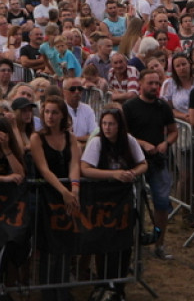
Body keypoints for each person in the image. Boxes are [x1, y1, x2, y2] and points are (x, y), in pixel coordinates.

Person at [80, 107, 148, 301]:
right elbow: (85, 169)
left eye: (111, 124)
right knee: (103, 241)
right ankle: (102, 284)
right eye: (104, 124)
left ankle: (118, 286)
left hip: (124, 200)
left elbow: (143, 163)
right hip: (101, 199)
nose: (107, 128)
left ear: (119, 125)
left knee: (124, 243)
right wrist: (113, 175)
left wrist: (133, 173)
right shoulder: (96, 143)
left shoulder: (129, 141)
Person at [30, 94, 82, 301]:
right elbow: (44, 169)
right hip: (48, 195)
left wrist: (75, 189)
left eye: (54, 112)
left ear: (62, 115)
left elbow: (75, 164)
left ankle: (63, 287)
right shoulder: (37, 138)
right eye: (47, 112)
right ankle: (48, 291)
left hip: (69, 194)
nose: (50, 116)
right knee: (48, 245)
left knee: (66, 241)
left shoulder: (70, 137)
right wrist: (64, 191)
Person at [123, 70, 178, 260]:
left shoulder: (163, 106)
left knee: (161, 204)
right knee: (133, 205)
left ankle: (159, 244)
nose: (154, 87)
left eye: (157, 83)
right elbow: (124, 135)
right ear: (140, 83)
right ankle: (131, 244)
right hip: (135, 162)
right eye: (150, 83)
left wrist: (166, 143)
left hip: (158, 162)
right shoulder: (129, 107)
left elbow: (173, 131)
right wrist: (141, 143)